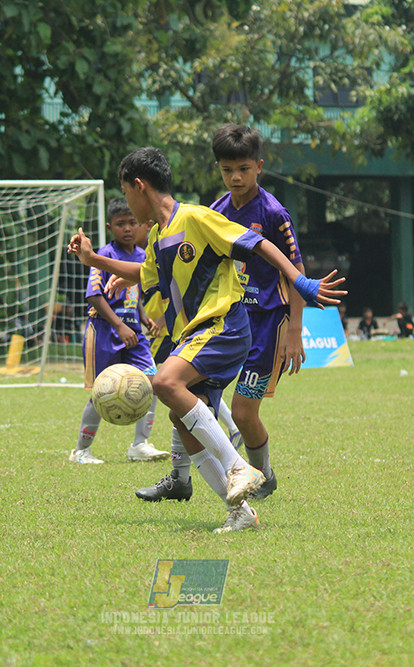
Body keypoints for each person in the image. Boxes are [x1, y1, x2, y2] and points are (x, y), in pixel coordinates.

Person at [68, 146, 345, 533]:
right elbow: (144, 273)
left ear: (139, 186)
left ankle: (238, 467)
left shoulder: (196, 217)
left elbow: (259, 244)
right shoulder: (159, 236)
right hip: (195, 334)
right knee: (182, 419)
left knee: (166, 382)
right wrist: (95, 260)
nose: (129, 205)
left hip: (224, 325)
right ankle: (241, 513)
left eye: (127, 194)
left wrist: (299, 280)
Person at [137, 124, 303, 504]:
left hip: (264, 323)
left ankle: (263, 474)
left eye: (244, 168)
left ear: (259, 166)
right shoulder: (214, 211)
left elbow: (295, 269)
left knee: (244, 414)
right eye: (228, 170)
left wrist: (294, 329)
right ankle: (186, 477)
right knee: (186, 401)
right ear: (219, 169)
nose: (236, 177)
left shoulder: (274, 213)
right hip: (221, 319)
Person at [70, 198, 168, 464]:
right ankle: (81, 450)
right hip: (104, 331)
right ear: (109, 227)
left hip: (133, 333)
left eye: (132, 223)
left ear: (140, 225)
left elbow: (133, 294)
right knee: (101, 391)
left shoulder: (142, 256)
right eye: (120, 224)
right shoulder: (104, 256)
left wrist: (143, 316)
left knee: (153, 384)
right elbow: (94, 296)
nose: (127, 228)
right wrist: (119, 325)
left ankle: (140, 444)